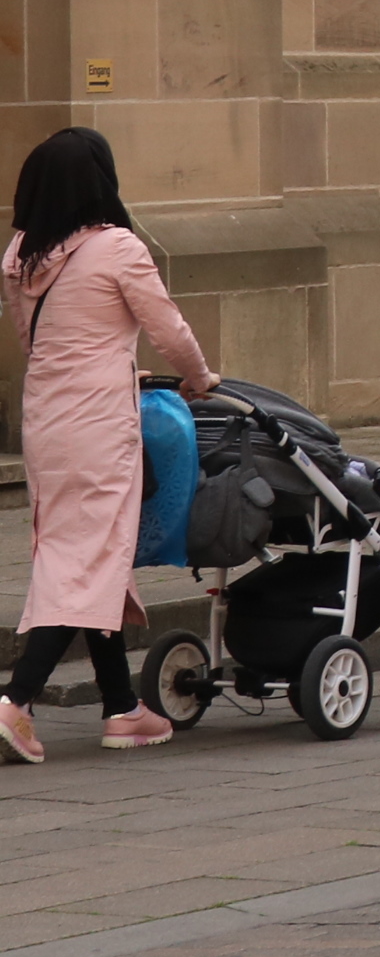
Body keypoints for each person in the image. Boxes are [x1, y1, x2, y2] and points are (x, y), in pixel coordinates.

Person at [2, 129, 221, 763]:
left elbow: (34, 341)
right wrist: (198, 377)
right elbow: (168, 329)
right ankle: (16, 702)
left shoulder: (19, 255)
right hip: (99, 423)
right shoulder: (118, 247)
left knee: (84, 551)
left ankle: (122, 708)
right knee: (86, 556)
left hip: (46, 421)